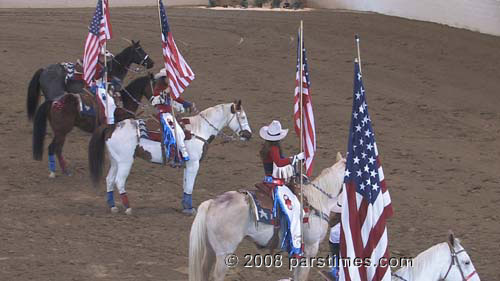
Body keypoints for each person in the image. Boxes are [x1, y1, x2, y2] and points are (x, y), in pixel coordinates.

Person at [259, 120, 305, 257]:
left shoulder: (266, 147)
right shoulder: (273, 149)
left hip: (269, 180)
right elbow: (279, 162)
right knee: (295, 207)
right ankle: (295, 247)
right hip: (275, 184)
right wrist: (294, 158)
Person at [151, 68, 194, 163]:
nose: (171, 80)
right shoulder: (158, 90)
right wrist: (167, 91)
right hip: (163, 114)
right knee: (176, 132)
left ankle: (178, 154)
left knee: (180, 132)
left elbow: (176, 98)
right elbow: (156, 101)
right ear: (164, 78)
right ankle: (177, 155)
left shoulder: (167, 89)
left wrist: (186, 103)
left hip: (169, 114)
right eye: (169, 78)